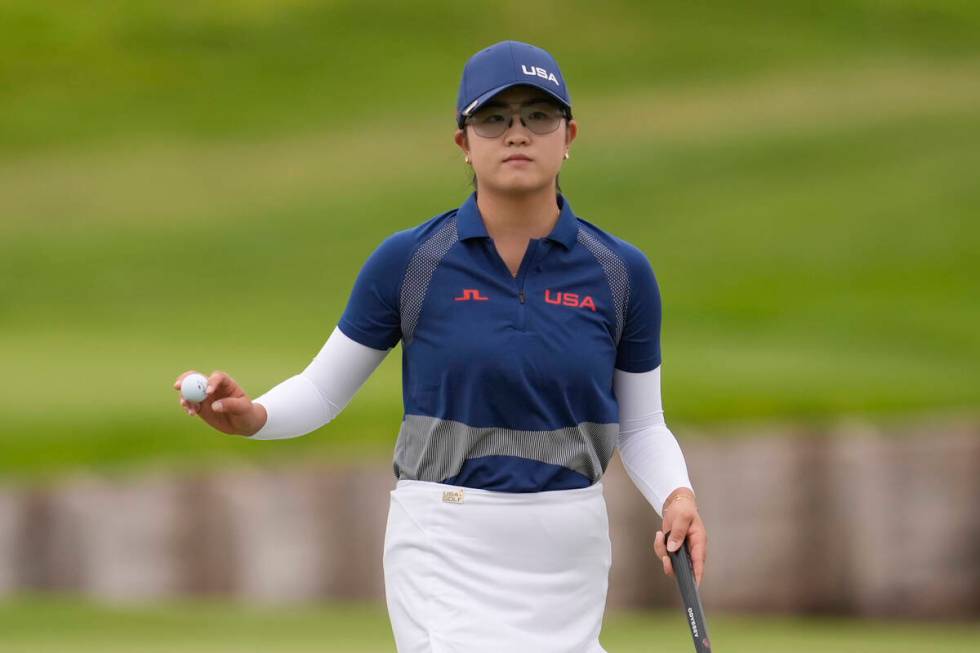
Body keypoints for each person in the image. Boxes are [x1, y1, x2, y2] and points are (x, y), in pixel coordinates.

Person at [173, 39, 707, 653]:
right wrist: (254, 417)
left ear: (569, 135)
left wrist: (678, 494)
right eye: (493, 118)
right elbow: (322, 389)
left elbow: (640, 425)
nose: (516, 134)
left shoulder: (620, 273)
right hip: (445, 538)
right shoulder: (411, 261)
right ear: (464, 141)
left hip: (570, 548)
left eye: (538, 116)